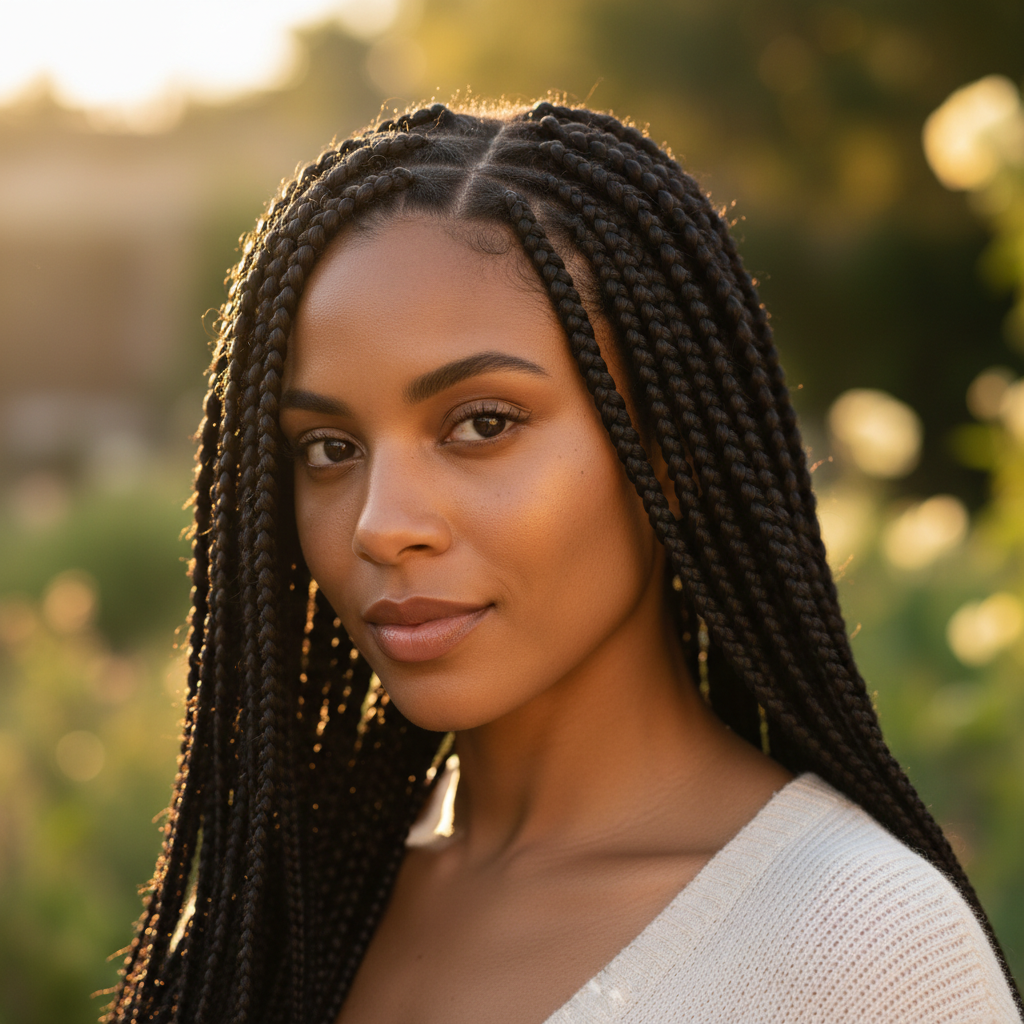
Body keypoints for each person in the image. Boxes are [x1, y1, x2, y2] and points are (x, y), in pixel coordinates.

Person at [107, 102, 1022, 1024]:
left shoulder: (859, 949)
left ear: (671, 449)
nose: (380, 526)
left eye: (482, 424)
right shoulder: (284, 917)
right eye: (330, 448)